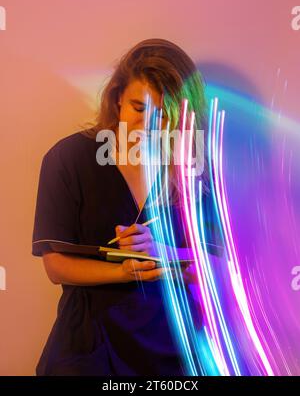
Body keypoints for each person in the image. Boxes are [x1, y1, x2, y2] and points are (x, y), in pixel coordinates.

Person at [32, 38, 221, 376]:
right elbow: (55, 266)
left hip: (171, 350)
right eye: (139, 107)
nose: (149, 125)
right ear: (117, 97)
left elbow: (213, 269)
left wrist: (163, 252)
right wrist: (122, 271)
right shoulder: (68, 159)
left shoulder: (194, 167)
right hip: (87, 348)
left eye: (163, 116)